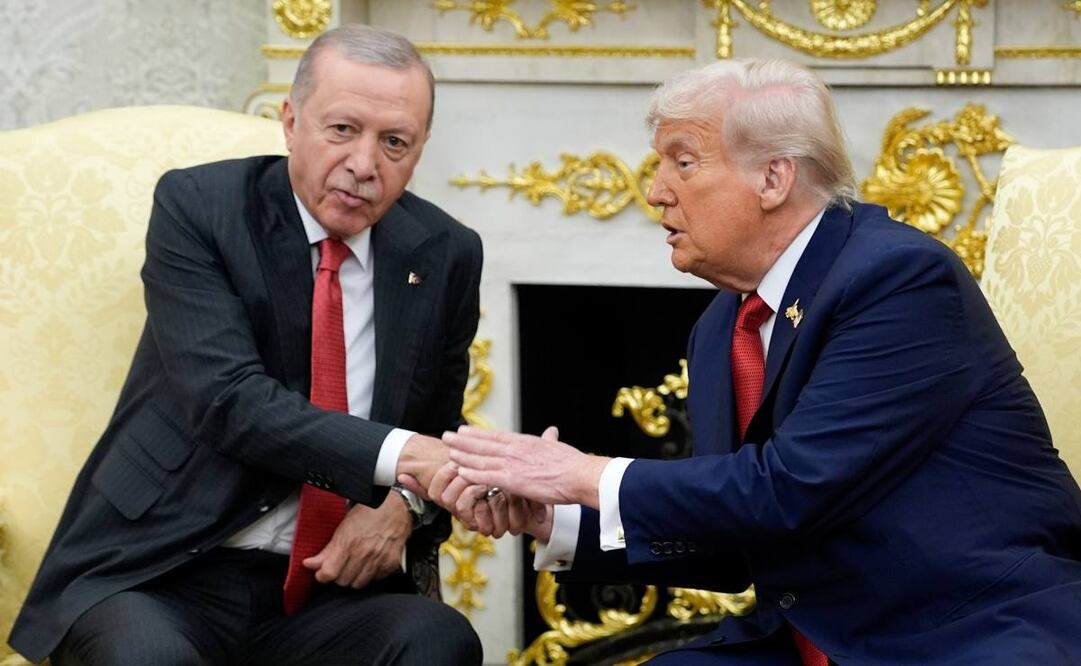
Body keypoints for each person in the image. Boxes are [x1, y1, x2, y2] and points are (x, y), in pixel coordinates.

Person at [417, 59, 1081, 664]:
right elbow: (735, 537)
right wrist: (553, 516)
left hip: (961, 631)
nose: (653, 192)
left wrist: (581, 473)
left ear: (773, 176)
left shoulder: (897, 279)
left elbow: (789, 490)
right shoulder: (721, 327)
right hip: (803, 639)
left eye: (682, 163)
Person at [9, 24, 483, 665]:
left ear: (419, 152)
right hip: (163, 568)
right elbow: (228, 401)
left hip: (327, 590)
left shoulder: (445, 252)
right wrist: (406, 461)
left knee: (438, 641)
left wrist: (404, 504)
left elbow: (436, 427)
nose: (365, 165)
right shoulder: (201, 208)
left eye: (394, 142)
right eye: (342, 129)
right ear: (291, 122)